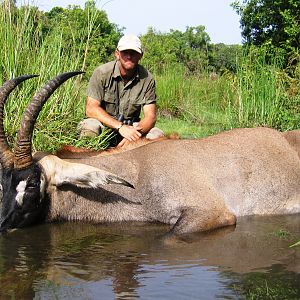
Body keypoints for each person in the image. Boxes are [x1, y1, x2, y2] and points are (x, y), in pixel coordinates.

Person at [79, 34, 164, 147]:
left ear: (140, 56)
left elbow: (151, 116)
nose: (129, 56)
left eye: (133, 53)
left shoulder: (147, 78)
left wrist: (136, 134)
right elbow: (91, 109)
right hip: (106, 125)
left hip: (132, 128)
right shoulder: (101, 73)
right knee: (90, 126)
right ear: (117, 54)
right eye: (125, 52)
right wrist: (120, 127)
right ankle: (87, 160)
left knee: (157, 135)